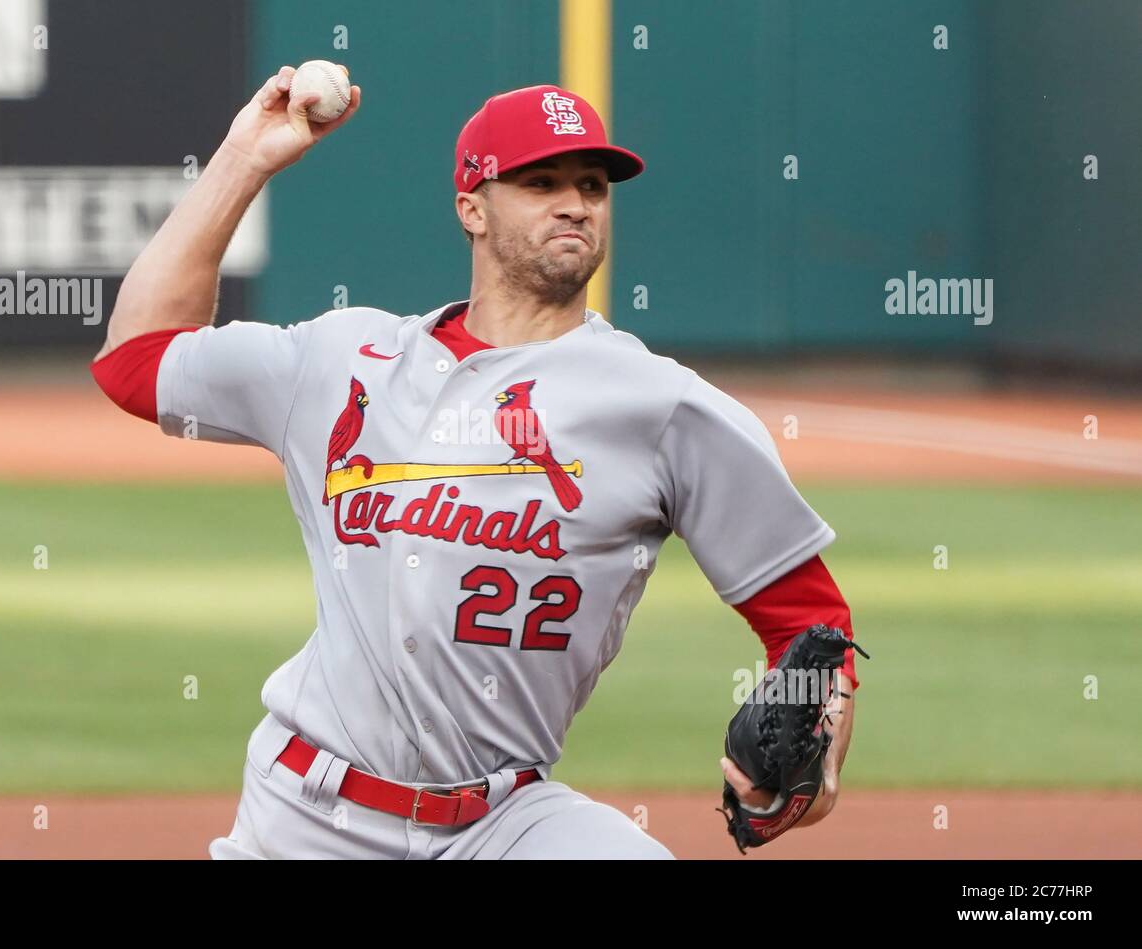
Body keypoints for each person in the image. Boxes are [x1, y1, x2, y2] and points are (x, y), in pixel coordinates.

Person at [90, 67, 861, 859]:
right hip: (308, 816)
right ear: (472, 207)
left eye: (593, 184)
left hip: (504, 824)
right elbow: (136, 361)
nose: (576, 203)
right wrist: (243, 159)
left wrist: (819, 760)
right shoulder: (343, 358)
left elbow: (812, 622)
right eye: (541, 181)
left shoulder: (660, 404)